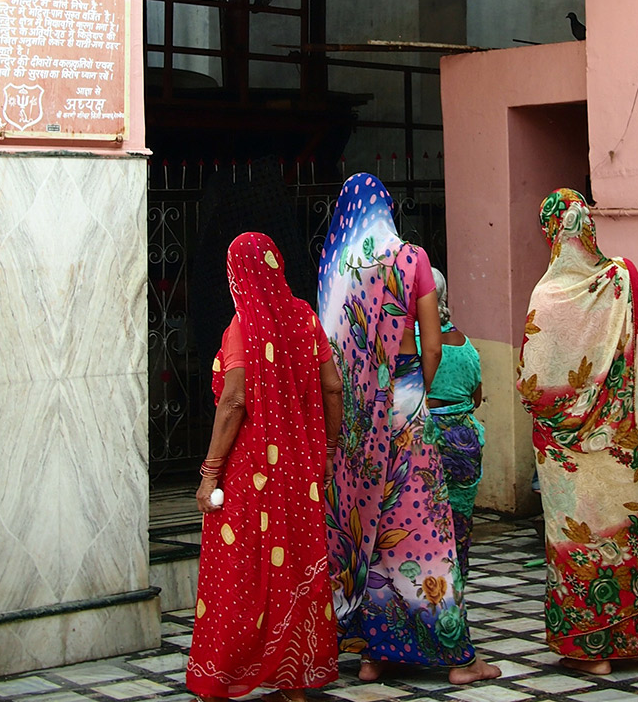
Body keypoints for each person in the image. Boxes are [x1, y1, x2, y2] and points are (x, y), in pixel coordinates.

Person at [318, 173, 500, 685]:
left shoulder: (340, 266)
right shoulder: (412, 258)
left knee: (370, 531)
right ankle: (455, 658)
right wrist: (413, 390)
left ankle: (375, 656)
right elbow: (433, 345)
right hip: (405, 403)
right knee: (424, 526)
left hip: (357, 420)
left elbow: (332, 354)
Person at [516, 189, 638, 674]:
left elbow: (532, 386)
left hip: (566, 455)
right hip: (622, 441)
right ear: (588, 226)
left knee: (577, 540)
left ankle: (594, 653)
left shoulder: (544, 297)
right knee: (627, 538)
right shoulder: (624, 279)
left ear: (550, 232)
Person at [186, 232, 341, 702]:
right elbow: (333, 386)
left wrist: (210, 471)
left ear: (237, 274)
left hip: (250, 470)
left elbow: (233, 401)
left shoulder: (242, 327)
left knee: (240, 571)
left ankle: (224, 676)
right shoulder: (306, 319)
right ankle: (292, 681)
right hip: (302, 470)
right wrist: (329, 451)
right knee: (295, 565)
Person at [418, 268, 485, 581]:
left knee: (424, 520)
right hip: (464, 438)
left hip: (426, 437)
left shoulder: (411, 344)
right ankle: (457, 584)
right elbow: (477, 397)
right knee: (459, 519)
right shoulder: (466, 345)